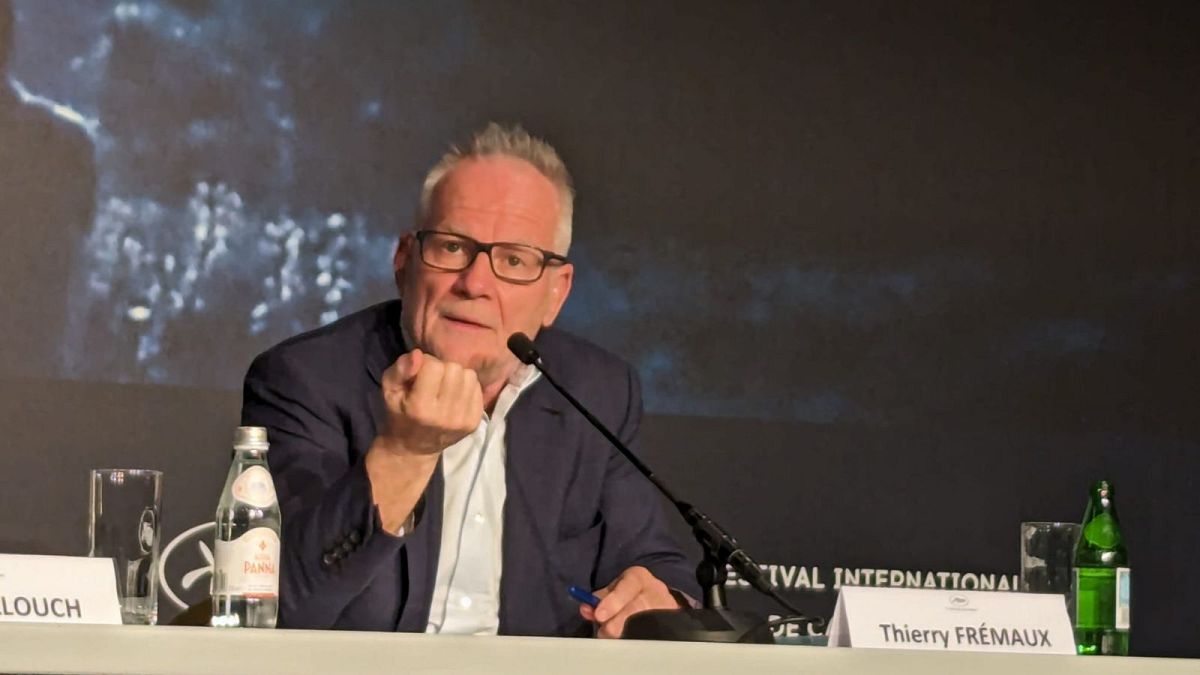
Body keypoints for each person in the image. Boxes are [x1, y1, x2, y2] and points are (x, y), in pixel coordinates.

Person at [242, 123, 697, 638]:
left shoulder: (599, 393)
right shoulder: (305, 380)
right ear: (403, 260)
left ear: (556, 292)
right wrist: (403, 453)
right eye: (453, 247)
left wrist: (660, 598)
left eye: (514, 261)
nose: (475, 283)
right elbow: (277, 608)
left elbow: (653, 563)